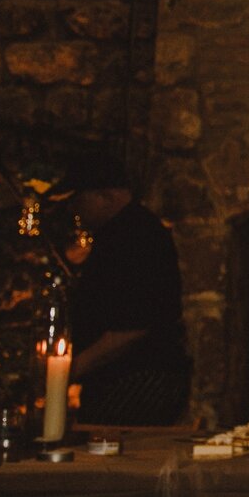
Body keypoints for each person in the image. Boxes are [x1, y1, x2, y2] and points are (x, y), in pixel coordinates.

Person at [55, 151, 191, 427]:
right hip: (124, 377)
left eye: (78, 199)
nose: (74, 209)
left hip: (134, 379)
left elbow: (133, 325)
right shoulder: (123, 234)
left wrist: (67, 372)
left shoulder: (134, 237)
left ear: (105, 196)